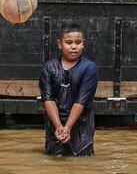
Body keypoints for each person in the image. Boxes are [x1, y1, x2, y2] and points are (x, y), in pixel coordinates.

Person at [40, 23, 98, 157]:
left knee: (81, 162)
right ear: (60, 44)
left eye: (78, 43)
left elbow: (81, 101)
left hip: (81, 125)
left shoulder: (89, 68)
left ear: (83, 44)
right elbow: (48, 99)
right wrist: (59, 126)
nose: (74, 47)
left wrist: (68, 128)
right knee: (54, 162)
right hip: (55, 124)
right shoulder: (49, 67)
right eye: (69, 42)